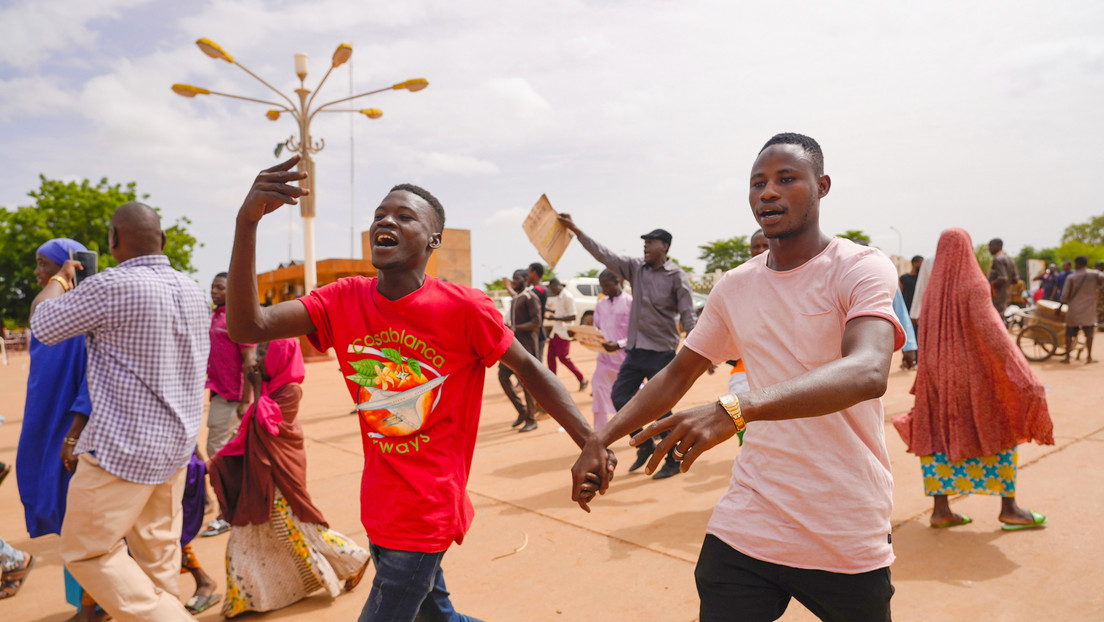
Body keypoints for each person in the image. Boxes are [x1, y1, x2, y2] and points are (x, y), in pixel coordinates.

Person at [225, 157, 614, 622]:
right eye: (380, 215)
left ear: (434, 239)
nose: (385, 221)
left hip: (427, 510)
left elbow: (531, 368)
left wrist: (590, 440)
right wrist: (246, 222)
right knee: (438, 619)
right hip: (379, 506)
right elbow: (248, 326)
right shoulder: (341, 299)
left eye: (404, 216)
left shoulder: (465, 308)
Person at [571, 132, 904, 621]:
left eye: (786, 179)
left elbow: (868, 369)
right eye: (757, 183)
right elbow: (677, 373)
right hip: (753, 514)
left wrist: (735, 409)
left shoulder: (859, 267)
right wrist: (599, 439)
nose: (768, 192)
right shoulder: (736, 285)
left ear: (822, 186)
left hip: (843, 518)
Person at [30, 202, 209, 621]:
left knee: (85, 551)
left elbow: (42, 324)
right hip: (174, 449)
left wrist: (61, 278)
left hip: (123, 450)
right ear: (163, 239)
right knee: (157, 557)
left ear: (113, 240)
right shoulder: (193, 289)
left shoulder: (110, 285)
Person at [893, 228, 1053, 530]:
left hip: (936, 375)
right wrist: (1022, 372)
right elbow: (994, 334)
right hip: (974, 377)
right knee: (998, 428)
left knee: (937, 435)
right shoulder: (973, 284)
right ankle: (1009, 508)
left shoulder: (932, 290)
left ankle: (941, 510)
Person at [209, 338, 370, 617]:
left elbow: (268, 426)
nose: (256, 358)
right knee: (254, 534)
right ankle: (247, 598)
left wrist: (255, 390)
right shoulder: (270, 385)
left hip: (278, 473)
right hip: (262, 472)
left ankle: (353, 558)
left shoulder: (290, 389)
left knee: (296, 529)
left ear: (280, 357)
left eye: (263, 352)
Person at [556, 217, 698, 480]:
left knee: (660, 408)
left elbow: (689, 314)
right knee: (620, 397)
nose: (645, 246)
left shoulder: (676, 276)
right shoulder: (636, 269)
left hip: (662, 353)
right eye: (644, 242)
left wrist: (700, 346)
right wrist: (577, 230)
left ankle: (674, 457)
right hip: (636, 351)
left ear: (665, 246)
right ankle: (645, 443)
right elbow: (604, 255)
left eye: (651, 242)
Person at [16, 238, 101, 619]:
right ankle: (87, 603)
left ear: (68, 267)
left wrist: (73, 433)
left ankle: (92, 604)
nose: (38, 273)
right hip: (47, 424)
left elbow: (91, 379)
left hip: (75, 428)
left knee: (81, 518)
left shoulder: (86, 313)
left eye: (44, 264)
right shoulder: (56, 314)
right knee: (67, 516)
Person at [202, 272, 256, 538]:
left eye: (221, 287)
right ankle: (242, 505)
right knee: (233, 455)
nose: (215, 291)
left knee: (217, 455)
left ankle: (228, 512)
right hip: (217, 393)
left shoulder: (236, 318)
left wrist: (245, 399)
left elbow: (250, 360)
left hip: (232, 398)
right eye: (213, 287)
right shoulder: (215, 316)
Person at [576, 269, 633, 430]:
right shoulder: (601, 304)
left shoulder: (630, 302)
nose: (604, 290)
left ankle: (650, 426)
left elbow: (637, 333)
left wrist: (619, 344)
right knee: (598, 388)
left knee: (637, 395)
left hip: (626, 358)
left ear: (618, 282)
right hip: (604, 359)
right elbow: (596, 328)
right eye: (602, 286)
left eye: (607, 285)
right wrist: (582, 335)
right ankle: (600, 431)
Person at [726, 229, 769, 394]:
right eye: (756, 246)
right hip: (744, 368)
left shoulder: (790, 278)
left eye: (765, 245)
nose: (760, 250)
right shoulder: (739, 281)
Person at [499, 269, 542, 431]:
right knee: (503, 376)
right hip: (513, 346)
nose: (514, 281)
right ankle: (522, 411)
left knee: (527, 383)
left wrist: (515, 327)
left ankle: (531, 419)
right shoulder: (517, 298)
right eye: (513, 278)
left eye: (517, 279)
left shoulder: (531, 297)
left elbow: (536, 322)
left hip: (527, 348)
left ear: (525, 279)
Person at [545, 278, 587, 392]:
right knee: (550, 359)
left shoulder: (567, 297)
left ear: (557, 285)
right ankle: (553, 385)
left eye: (552, 288)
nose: (552, 291)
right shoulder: (559, 297)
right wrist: (549, 311)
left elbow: (573, 316)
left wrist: (554, 318)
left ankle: (582, 378)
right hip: (555, 332)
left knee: (563, 358)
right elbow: (561, 312)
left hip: (564, 333)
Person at [1060, 255, 1104, 364]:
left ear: (1077, 264)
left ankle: (1067, 357)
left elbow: (1065, 295)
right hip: (1089, 310)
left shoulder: (1072, 277)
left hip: (1074, 309)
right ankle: (1089, 357)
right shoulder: (1095, 274)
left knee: (1069, 334)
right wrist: (1100, 290)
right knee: (1089, 334)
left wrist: (1060, 307)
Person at [988, 238, 1018, 316]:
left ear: (998, 246)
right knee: (1001, 315)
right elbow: (1015, 279)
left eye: (990, 246)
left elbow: (1002, 278)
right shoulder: (1010, 260)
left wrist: (991, 284)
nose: (989, 249)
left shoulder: (998, 259)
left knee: (995, 316)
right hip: (1005, 294)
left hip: (996, 295)